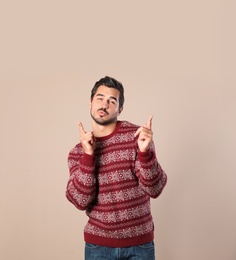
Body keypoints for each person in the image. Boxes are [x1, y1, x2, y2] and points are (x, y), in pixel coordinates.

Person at [66, 76, 167, 260]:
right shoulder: (77, 153)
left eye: (112, 101)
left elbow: (155, 188)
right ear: (90, 103)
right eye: (100, 98)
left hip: (140, 245)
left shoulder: (137, 137)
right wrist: (88, 156)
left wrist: (145, 154)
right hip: (98, 246)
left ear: (119, 109)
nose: (104, 105)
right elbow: (80, 200)